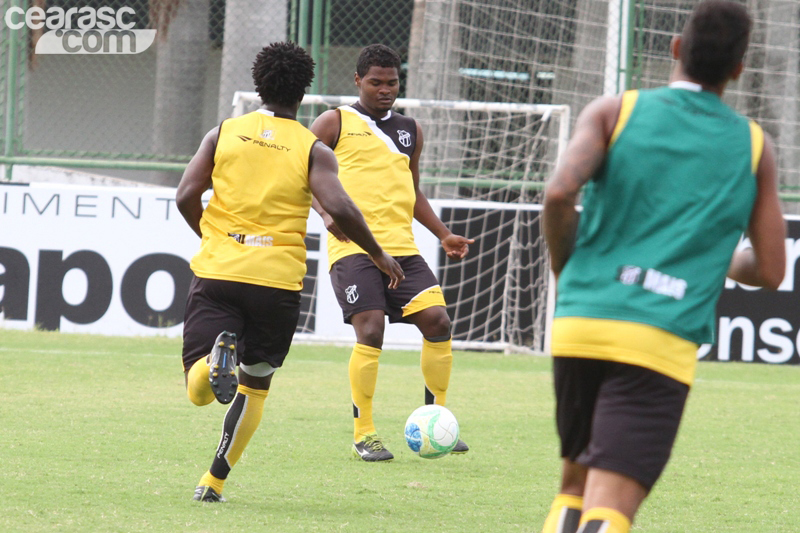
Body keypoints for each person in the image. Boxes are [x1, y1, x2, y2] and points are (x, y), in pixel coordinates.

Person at [540, 2, 786, 532]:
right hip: (657, 337)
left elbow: (559, 193)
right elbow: (770, 269)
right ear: (739, 69)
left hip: (582, 322)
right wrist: (711, 258)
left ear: (675, 47)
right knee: (610, 508)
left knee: (575, 488)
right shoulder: (752, 145)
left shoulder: (613, 111)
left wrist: (569, 274)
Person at [175, 41, 404, 502]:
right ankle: (213, 480)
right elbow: (338, 206)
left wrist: (212, 237)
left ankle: (210, 364)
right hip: (276, 282)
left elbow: (184, 195)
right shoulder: (312, 148)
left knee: (199, 389)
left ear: (258, 84)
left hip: (221, 271)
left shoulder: (222, 133)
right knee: (255, 386)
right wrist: (378, 254)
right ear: (305, 90)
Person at [310, 44, 473, 462]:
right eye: (376, 82)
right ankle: (364, 433)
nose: (386, 89)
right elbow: (299, 174)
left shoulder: (410, 130)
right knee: (371, 329)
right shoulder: (334, 122)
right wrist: (325, 212)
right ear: (358, 81)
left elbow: (412, 190)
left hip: (403, 249)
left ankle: (437, 421)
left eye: (392, 82)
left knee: (438, 321)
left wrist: (442, 233)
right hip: (354, 249)